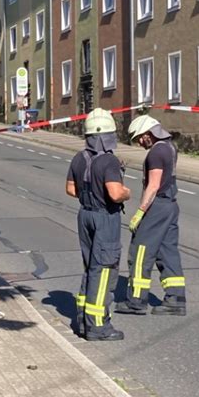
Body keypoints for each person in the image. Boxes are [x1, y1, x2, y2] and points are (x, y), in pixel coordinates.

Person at [66, 108, 131, 341]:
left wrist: (89, 195)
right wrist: (127, 193)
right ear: (107, 135)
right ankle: (98, 326)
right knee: (104, 271)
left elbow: (71, 189)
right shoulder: (109, 161)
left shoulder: (79, 158)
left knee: (90, 267)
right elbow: (115, 193)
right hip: (105, 217)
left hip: (85, 215)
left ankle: (83, 321)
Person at [115, 115, 186, 316]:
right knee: (167, 252)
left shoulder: (156, 152)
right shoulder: (170, 147)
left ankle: (136, 301)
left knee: (140, 253)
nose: (139, 142)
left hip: (157, 207)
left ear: (149, 134)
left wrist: (140, 211)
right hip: (170, 205)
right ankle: (175, 299)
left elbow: (153, 185)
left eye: (139, 137)